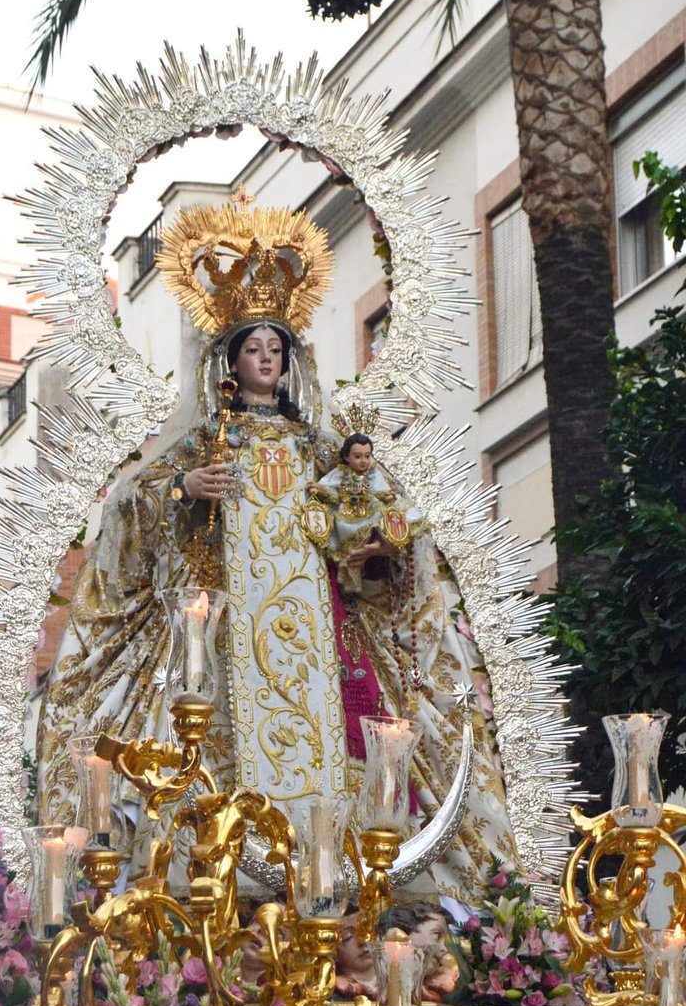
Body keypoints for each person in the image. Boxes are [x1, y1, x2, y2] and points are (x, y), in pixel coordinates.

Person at [36, 194, 520, 904]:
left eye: (276, 349)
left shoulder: (326, 449)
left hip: (323, 648)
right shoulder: (200, 447)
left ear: (291, 361)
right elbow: (133, 523)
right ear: (229, 361)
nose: (265, 359)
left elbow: (378, 528)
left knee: (358, 759)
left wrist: (378, 535)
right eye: (253, 349)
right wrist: (184, 494)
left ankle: (345, 878)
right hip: (225, 648)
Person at [308, 432, 424, 594]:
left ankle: (378, 543)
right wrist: (319, 490)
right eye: (358, 456)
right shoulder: (341, 473)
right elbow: (328, 487)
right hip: (347, 517)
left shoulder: (373, 473)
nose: (363, 461)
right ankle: (351, 574)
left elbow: (380, 490)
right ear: (347, 457)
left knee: (384, 514)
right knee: (350, 552)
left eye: (367, 456)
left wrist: (386, 495)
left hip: (368, 511)